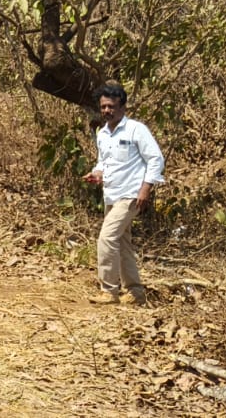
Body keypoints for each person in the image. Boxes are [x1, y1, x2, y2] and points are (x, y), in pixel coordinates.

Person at [81, 81, 165, 306]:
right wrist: (96, 174)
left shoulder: (136, 129)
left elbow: (156, 159)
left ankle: (109, 291)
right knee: (123, 242)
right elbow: (103, 162)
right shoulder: (103, 133)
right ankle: (135, 293)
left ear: (123, 107)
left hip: (131, 194)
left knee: (106, 238)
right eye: (103, 107)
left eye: (111, 106)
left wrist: (145, 189)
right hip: (111, 194)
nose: (107, 111)